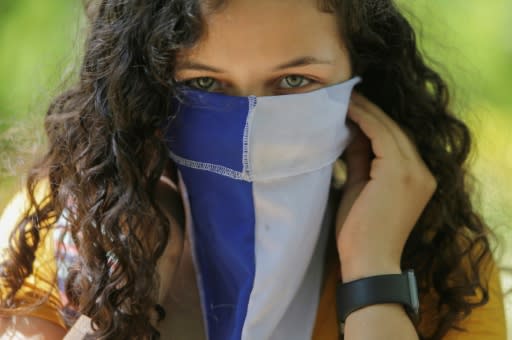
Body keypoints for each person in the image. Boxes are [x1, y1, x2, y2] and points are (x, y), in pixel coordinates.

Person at [0, 0, 507, 339]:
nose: (252, 124)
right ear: (142, 90)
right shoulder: (59, 233)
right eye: (203, 85)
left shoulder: (439, 258)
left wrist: (374, 276)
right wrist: (128, 295)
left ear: (361, 80)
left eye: (293, 80)